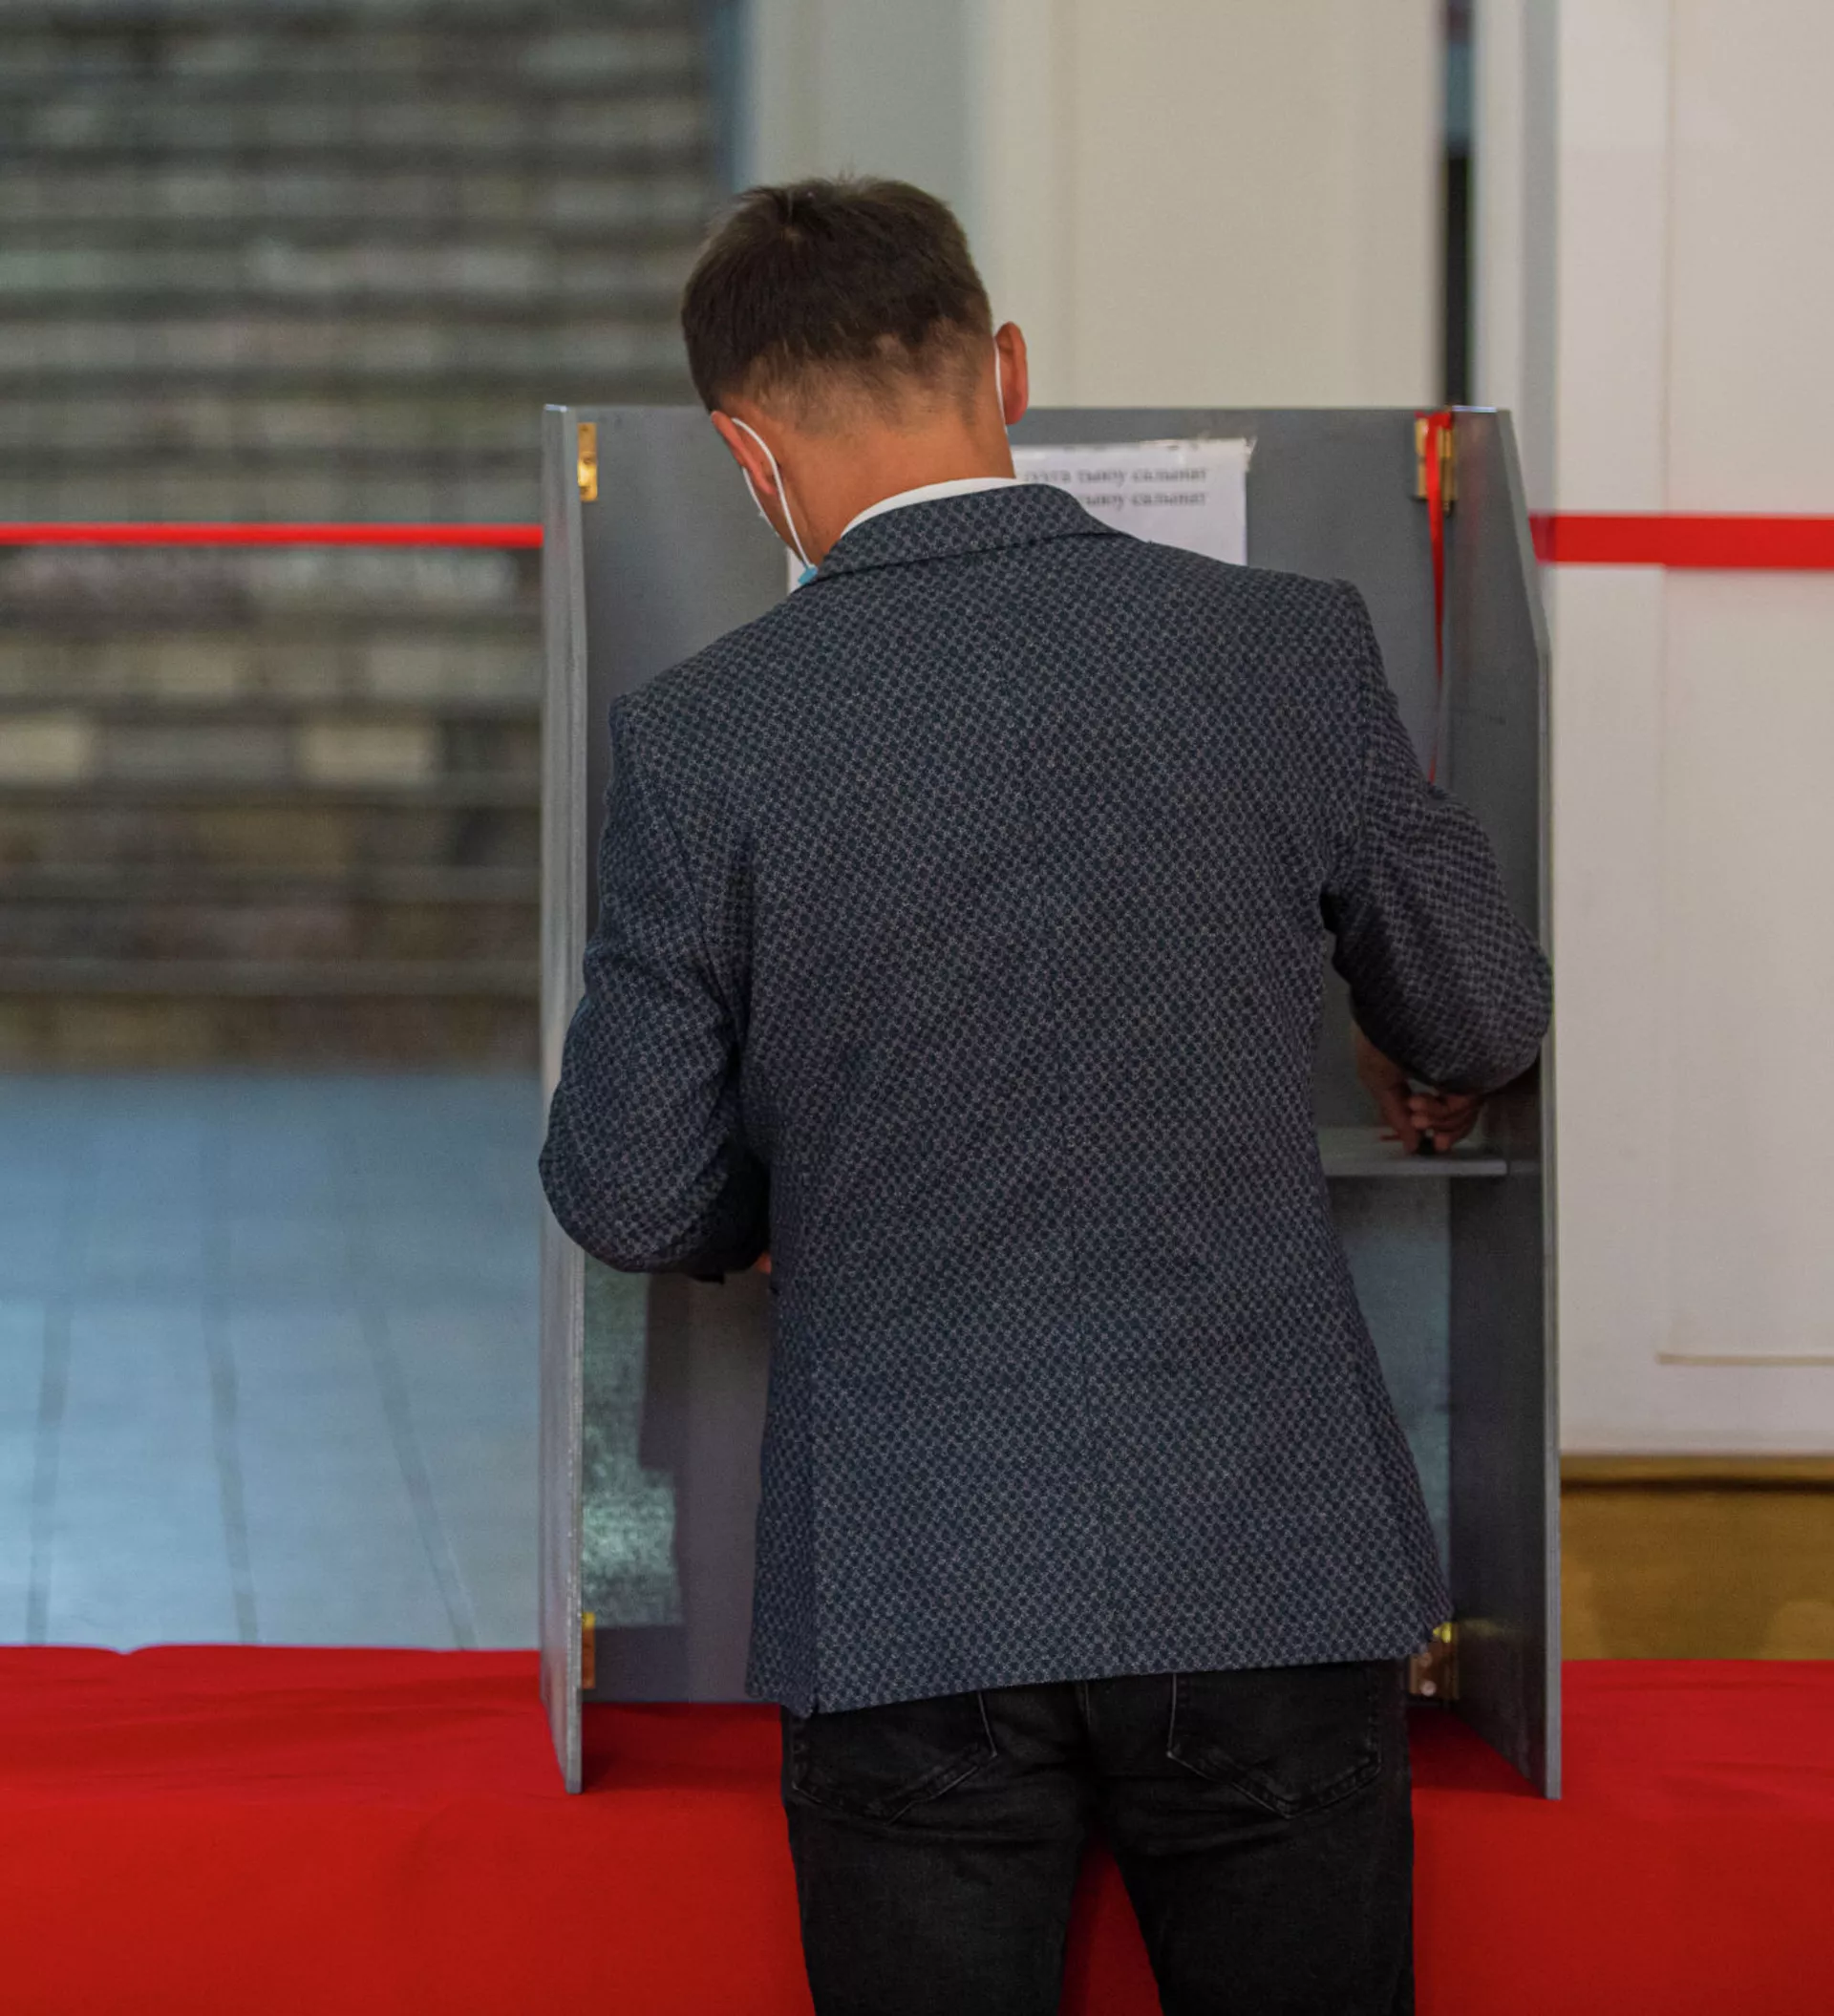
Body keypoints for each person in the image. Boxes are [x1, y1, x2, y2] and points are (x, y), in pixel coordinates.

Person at [540, 177, 1550, 2016]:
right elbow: (1481, 1009)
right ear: (1006, 367)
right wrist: (1405, 1042)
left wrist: (785, 1196)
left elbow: (629, 1186)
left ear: (744, 453)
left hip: (911, 1575)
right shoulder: (1286, 647)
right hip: (1264, 1548)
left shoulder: (700, 738)